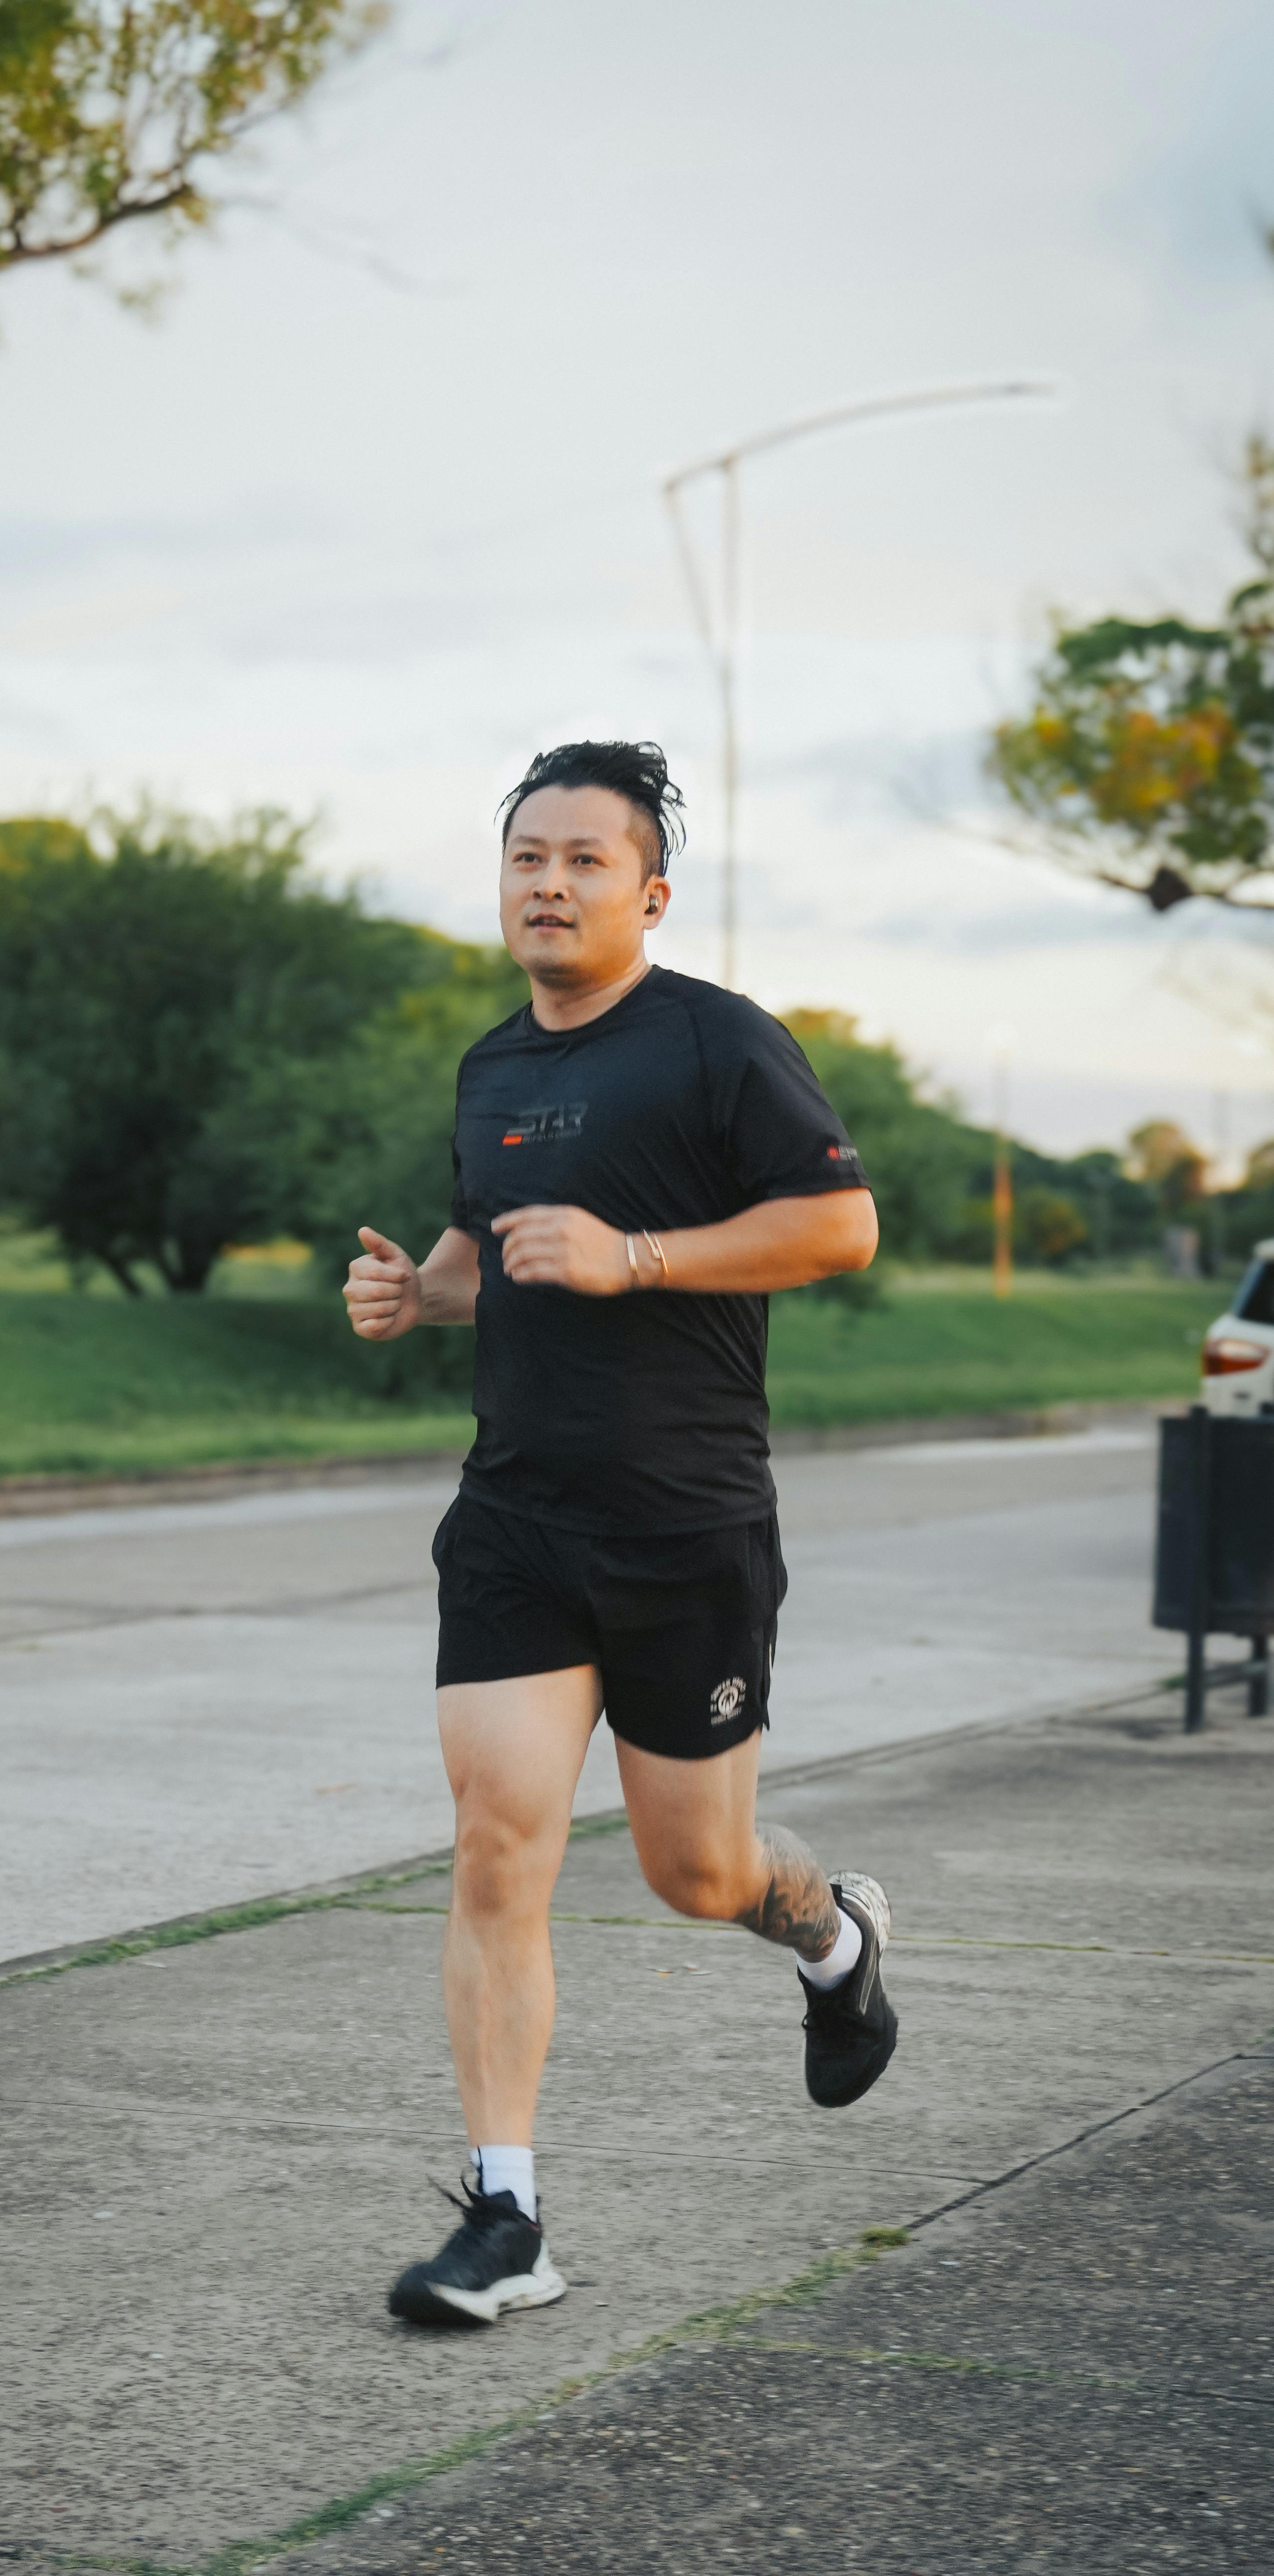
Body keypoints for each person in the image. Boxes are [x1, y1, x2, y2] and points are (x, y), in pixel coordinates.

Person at [343, 738, 894, 2331]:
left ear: (649, 890)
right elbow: (489, 1258)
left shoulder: (723, 1045)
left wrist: (639, 1253)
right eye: (527, 855)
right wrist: (415, 1293)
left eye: (585, 859)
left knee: (695, 1868)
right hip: (516, 1519)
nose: (549, 882)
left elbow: (841, 1225)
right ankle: (505, 2216)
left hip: (687, 1524)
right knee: (497, 1842)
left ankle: (834, 1934)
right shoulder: (491, 1069)